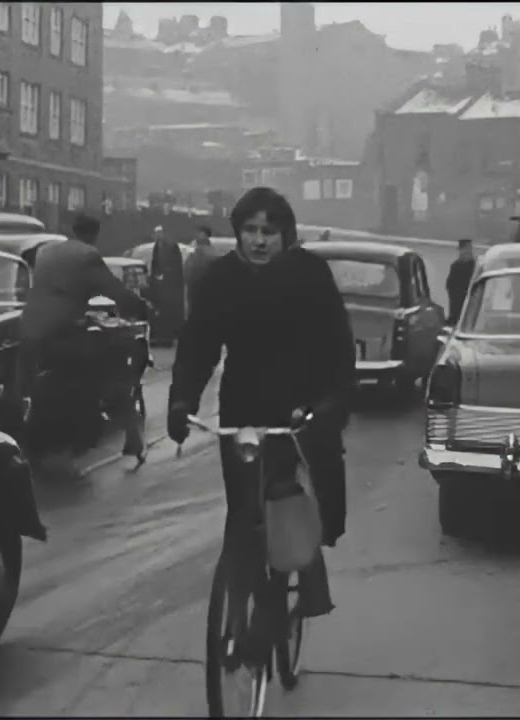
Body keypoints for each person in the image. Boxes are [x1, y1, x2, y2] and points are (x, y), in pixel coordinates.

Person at [166, 187, 355, 660]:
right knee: (243, 509)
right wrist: (181, 399)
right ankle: (237, 604)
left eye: (269, 231)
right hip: (243, 407)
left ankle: (280, 604)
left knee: (285, 502)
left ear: (285, 234)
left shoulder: (310, 274)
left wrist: (330, 404)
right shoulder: (222, 278)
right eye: (250, 230)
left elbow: (337, 345)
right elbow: (199, 343)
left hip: (300, 406)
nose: (259, 240)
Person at [19, 214, 150, 466]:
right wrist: (141, 307)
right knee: (111, 367)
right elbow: (114, 290)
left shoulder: (47, 251)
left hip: (29, 327)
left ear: (72, 230)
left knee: (28, 381)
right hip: (59, 330)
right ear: (94, 234)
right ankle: (131, 436)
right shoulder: (87, 256)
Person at [148, 225, 185, 347]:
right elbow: (155, 263)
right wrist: (155, 277)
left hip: (171, 284)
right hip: (159, 285)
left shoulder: (172, 246)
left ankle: (171, 335)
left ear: (163, 234)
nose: (158, 236)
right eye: (156, 234)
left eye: (159, 233)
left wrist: (166, 274)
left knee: (171, 310)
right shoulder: (156, 247)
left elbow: (176, 265)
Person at [183, 225, 215, 318]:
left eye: (201, 234)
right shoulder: (192, 248)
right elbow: (186, 265)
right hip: (192, 285)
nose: (198, 236)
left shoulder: (211, 251)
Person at [445, 239, 476, 325]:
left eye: (470, 249)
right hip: (457, 301)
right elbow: (449, 285)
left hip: (471, 300)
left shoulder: (475, 266)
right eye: (467, 248)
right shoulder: (455, 266)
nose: (469, 251)